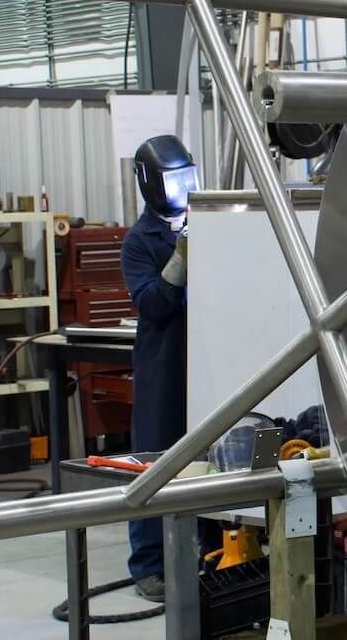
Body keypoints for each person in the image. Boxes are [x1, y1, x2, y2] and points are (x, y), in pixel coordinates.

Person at [120, 135, 197, 602]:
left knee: (207, 457)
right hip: (164, 363)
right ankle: (148, 564)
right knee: (154, 459)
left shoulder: (214, 218)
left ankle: (208, 550)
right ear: (151, 185)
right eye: (175, 181)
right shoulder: (138, 241)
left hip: (206, 357)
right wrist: (183, 255)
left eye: (188, 177)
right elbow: (152, 304)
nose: (184, 189)